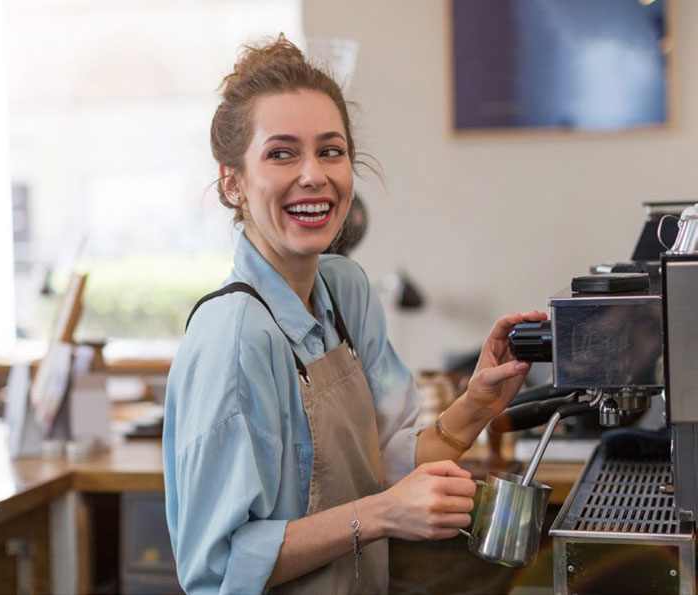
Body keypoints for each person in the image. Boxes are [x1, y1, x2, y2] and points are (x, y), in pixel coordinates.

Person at [163, 34, 547, 594]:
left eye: (330, 150)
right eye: (281, 153)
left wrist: (478, 404)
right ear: (233, 182)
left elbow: (388, 462)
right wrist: (382, 515)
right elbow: (219, 566)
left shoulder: (345, 290)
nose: (313, 174)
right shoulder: (235, 335)